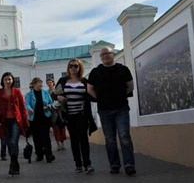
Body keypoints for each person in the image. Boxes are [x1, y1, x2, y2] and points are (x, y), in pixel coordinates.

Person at [87, 47, 136, 176]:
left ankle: (129, 164)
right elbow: (90, 88)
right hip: (104, 110)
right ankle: (114, 165)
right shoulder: (96, 72)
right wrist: (100, 98)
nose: (105, 56)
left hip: (121, 108)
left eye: (108, 53)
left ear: (113, 54)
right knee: (110, 139)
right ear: (101, 57)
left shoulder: (123, 69)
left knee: (124, 136)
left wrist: (121, 95)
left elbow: (130, 85)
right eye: (103, 54)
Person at [55, 59, 96, 174]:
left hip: (82, 115)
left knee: (83, 139)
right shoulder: (63, 81)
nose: (73, 68)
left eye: (76, 66)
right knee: (74, 140)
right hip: (69, 116)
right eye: (71, 66)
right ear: (68, 68)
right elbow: (54, 94)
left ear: (79, 68)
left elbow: (91, 94)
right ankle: (78, 164)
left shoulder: (84, 81)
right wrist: (59, 97)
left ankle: (87, 164)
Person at [0, 72, 29, 176]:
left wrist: (26, 122)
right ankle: (14, 164)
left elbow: (22, 107)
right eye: (6, 79)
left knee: (13, 142)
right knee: (9, 143)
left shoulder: (17, 92)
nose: (8, 81)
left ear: (12, 80)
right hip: (4, 122)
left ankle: (13, 163)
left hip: (15, 121)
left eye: (9, 79)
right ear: (2, 81)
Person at [25, 78, 56, 163]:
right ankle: (39, 155)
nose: (41, 85)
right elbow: (27, 104)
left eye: (41, 84)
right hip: (34, 119)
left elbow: (51, 102)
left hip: (45, 117)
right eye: (39, 83)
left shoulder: (45, 93)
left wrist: (48, 106)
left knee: (46, 137)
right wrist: (30, 109)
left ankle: (49, 155)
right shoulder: (29, 95)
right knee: (36, 138)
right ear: (34, 84)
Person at [47, 78, 67, 151]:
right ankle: (58, 145)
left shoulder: (58, 91)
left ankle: (63, 144)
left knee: (62, 128)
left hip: (60, 112)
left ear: (53, 83)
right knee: (56, 130)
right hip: (53, 113)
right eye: (48, 83)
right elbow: (47, 102)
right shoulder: (47, 93)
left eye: (50, 82)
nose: (49, 84)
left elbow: (63, 100)